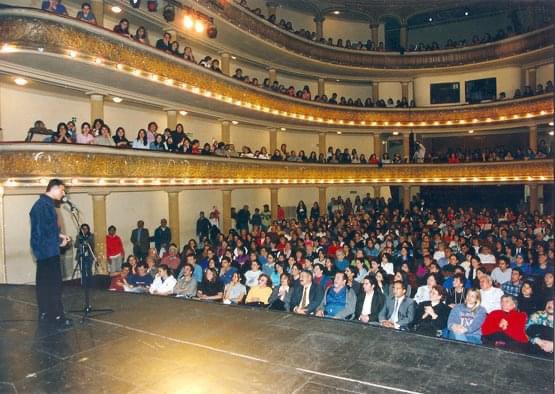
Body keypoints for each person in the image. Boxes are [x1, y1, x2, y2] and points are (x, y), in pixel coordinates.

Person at [30, 179, 72, 327]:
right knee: (54, 285)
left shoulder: (42, 204)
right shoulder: (44, 206)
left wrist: (60, 235)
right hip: (48, 251)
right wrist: (60, 243)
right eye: (62, 190)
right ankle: (56, 316)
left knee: (44, 284)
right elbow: (44, 233)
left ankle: (45, 313)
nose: (63, 193)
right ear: (54, 189)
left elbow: (45, 228)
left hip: (43, 252)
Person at [73, 223, 96, 290]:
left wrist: (87, 242)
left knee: (89, 270)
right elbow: (75, 245)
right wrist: (81, 243)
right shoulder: (78, 236)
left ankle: (90, 285)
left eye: (86, 228)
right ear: (81, 229)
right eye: (83, 229)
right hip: (81, 256)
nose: (85, 230)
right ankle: (84, 285)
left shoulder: (91, 236)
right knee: (82, 270)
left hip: (89, 256)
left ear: (88, 229)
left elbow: (92, 245)